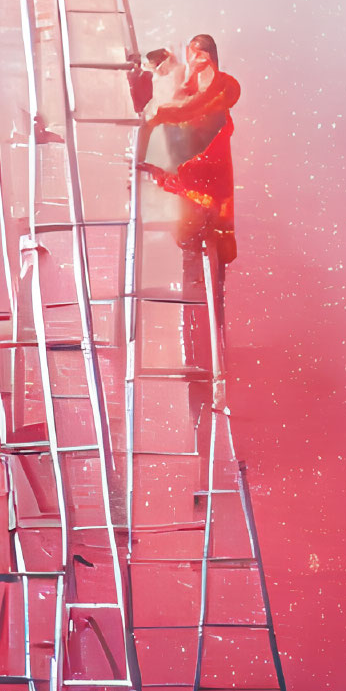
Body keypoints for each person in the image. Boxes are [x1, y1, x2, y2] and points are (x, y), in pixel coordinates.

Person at [135, 34, 240, 435]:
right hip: (193, 188)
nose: (193, 60)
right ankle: (205, 382)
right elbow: (181, 112)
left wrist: (163, 114)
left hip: (205, 188)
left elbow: (194, 114)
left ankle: (213, 383)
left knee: (206, 266)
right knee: (195, 261)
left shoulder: (217, 87)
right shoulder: (190, 86)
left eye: (199, 54)